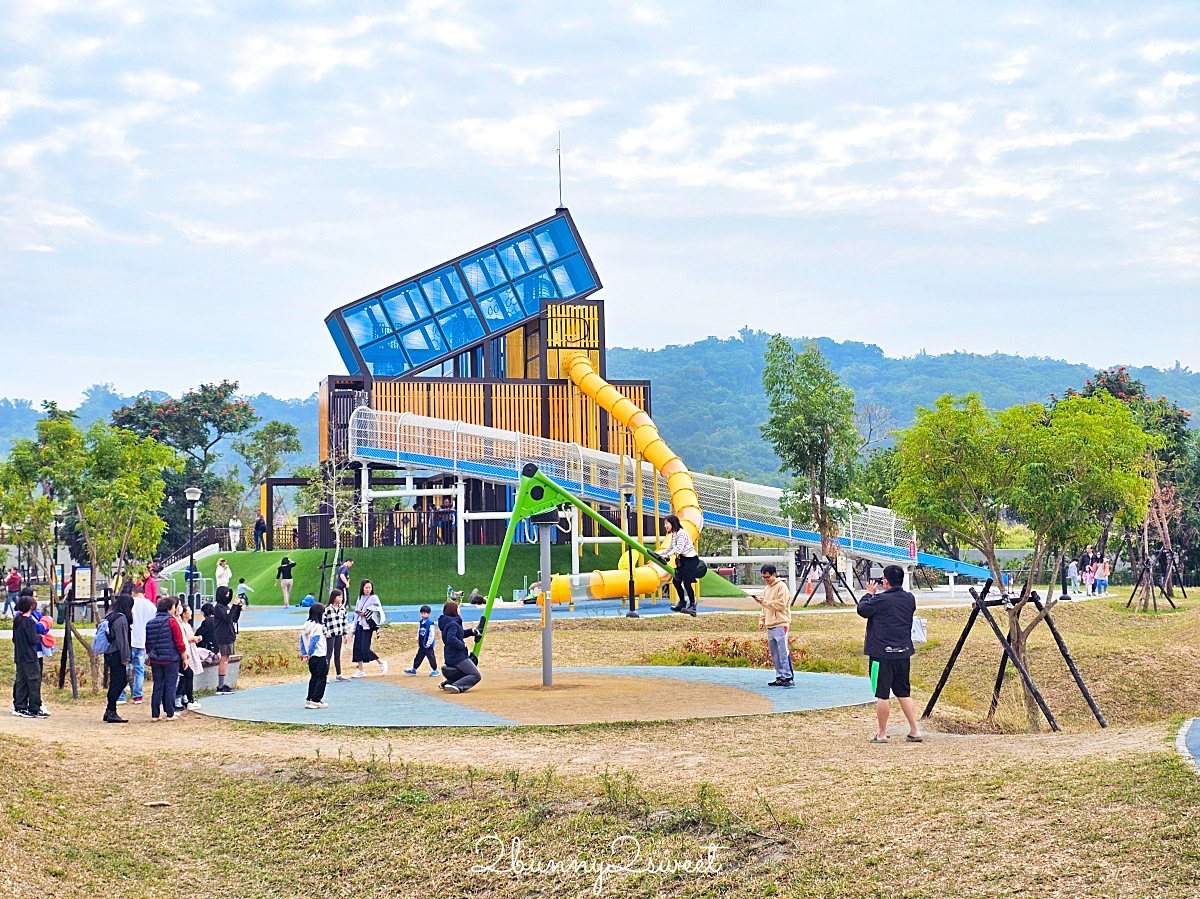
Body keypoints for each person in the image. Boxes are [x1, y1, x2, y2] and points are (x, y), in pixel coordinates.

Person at [857, 565, 922, 744]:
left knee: (882, 694)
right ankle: (915, 730)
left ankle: (882, 734)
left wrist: (869, 593)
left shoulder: (879, 600)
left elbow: (862, 609)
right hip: (903, 652)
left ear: (885, 581)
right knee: (903, 692)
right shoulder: (910, 599)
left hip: (881, 654)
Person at [145, 596, 186, 721]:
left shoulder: (150, 623)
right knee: (170, 686)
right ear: (170, 608)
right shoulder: (172, 622)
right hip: (170, 659)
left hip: (156, 659)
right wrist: (184, 657)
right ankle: (170, 712)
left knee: (157, 685)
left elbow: (148, 643)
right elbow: (179, 642)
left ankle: (155, 714)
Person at [754, 564, 793, 687]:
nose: (765, 579)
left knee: (783, 651)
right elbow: (764, 607)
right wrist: (762, 620)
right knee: (775, 653)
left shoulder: (782, 587)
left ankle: (788, 676)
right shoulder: (767, 589)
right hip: (770, 624)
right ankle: (780, 676)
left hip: (781, 623)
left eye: (767, 577)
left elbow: (780, 605)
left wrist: (764, 602)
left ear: (774, 574)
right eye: (763, 577)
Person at [658, 514, 703, 617]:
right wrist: (660, 554)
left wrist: (666, 556)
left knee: (687, 583)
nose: (665, 526)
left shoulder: (681, 533)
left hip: (691, 560)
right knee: (676, 581)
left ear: (673, 523)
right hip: (683, 560)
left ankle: (692, 605)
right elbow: (670, 547)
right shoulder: (674, 534)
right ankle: (682, 602)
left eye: (666, 524)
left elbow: (679, 549)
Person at [11, 595, 45, 719]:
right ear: (31, 606)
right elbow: (32, 639)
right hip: (30, 656)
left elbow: (14, 639)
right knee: (34, 681)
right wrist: (40, 637)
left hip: (19, 655)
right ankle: (34, 707)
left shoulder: (17, 620)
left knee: (21, 681)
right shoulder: (29, 622)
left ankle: (20, 706)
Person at [437, 600, 482, 694]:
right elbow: (451, 639)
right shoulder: (453, 624)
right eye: (458, 608)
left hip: (450, 655)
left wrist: (471, 631)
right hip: (458, 656)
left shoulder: (449, 622)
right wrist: (462, 645)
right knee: (475, 675)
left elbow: (459, 634)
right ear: (454, 610)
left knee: (465, 672)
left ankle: (448, 683)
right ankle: (457, 685)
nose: (459, 610)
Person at [102, 595, 133, 723]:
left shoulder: (111, 615)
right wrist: (126, 657)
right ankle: (111, 710)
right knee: (119, 681)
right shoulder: (121, 619)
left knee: (117, 681)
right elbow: (122, 641)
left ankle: (110, 709)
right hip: (116, 653)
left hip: (109, 652)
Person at [128, 583, 157, 705]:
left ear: (133, 593)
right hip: (142, 641)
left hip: (130, 639)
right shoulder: (151, 606)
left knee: (125, 667)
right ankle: (137, 696)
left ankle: (121, 695)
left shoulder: (130, 603)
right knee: (140, 669)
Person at [351, 580, 387, 678]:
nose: (368, 590)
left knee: (365, 648)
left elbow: (377, 609)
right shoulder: (360, 598)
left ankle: (380, 662)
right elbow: (356, 613)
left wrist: (366, 612)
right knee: (357, 647)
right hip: (359, 624)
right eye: (366, 587)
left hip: (367, 626)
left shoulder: (374, 598)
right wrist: (354, 626)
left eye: (369, 588)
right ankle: (360, 670)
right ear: (362, 588)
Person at [213, 587, 243, 694]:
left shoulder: (225, 607)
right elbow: (228, 618)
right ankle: (220, 686)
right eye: (226, 594)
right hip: (223, 636)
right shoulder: (219, 608)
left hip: (229, 635)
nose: (228, 597)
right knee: (224, 659)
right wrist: (234, 606)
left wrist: (238, 607)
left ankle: (222, 684)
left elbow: (234, 618)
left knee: (226, 659)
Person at [299, 604, 329, 709]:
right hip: (319, 654)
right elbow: (314, 642)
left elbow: (302, 641)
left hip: (311, 658)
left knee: (314, 677)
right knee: (322, 677)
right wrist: (310, 653)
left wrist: (305, 654)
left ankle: (309, 698)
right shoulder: (318, 627)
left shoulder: (306, 625)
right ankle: (316, 700)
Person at [175, 603, 204, 711]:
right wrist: (192, 639)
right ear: (184, 613)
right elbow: (182, 639)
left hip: (190, 650)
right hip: (186, 651)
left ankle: (184, 697)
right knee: (186, 674)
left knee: (186, 675)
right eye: (189, 610)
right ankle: (187, 698)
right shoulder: (181, 625)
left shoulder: (187, 625)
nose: (191, 612)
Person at [322, 589, 349, 682]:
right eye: (339, 597)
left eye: (341, 597)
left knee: (337, 654)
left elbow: (345, 622)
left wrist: (345, 634)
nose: (341, 599)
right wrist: (326, 632)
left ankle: (339, 674)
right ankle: (325, 675)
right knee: (328, 654)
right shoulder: (327, 609)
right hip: (331, 635)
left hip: (339, 634)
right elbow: (323, 622)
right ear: (334, 597)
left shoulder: (342, 609)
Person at [405, 605, 439, 677]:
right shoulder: (421, 623)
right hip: (421, 645)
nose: (423, 615)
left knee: (431, 657)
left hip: (428, 646)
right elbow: (419, 631)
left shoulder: (430, 623)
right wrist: (417, 638)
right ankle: (414, 669)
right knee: (418, 657)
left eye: (425, 613)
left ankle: (435, 670)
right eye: (422, 613)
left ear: (428, 614)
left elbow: (431, 634)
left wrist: (429, 643)